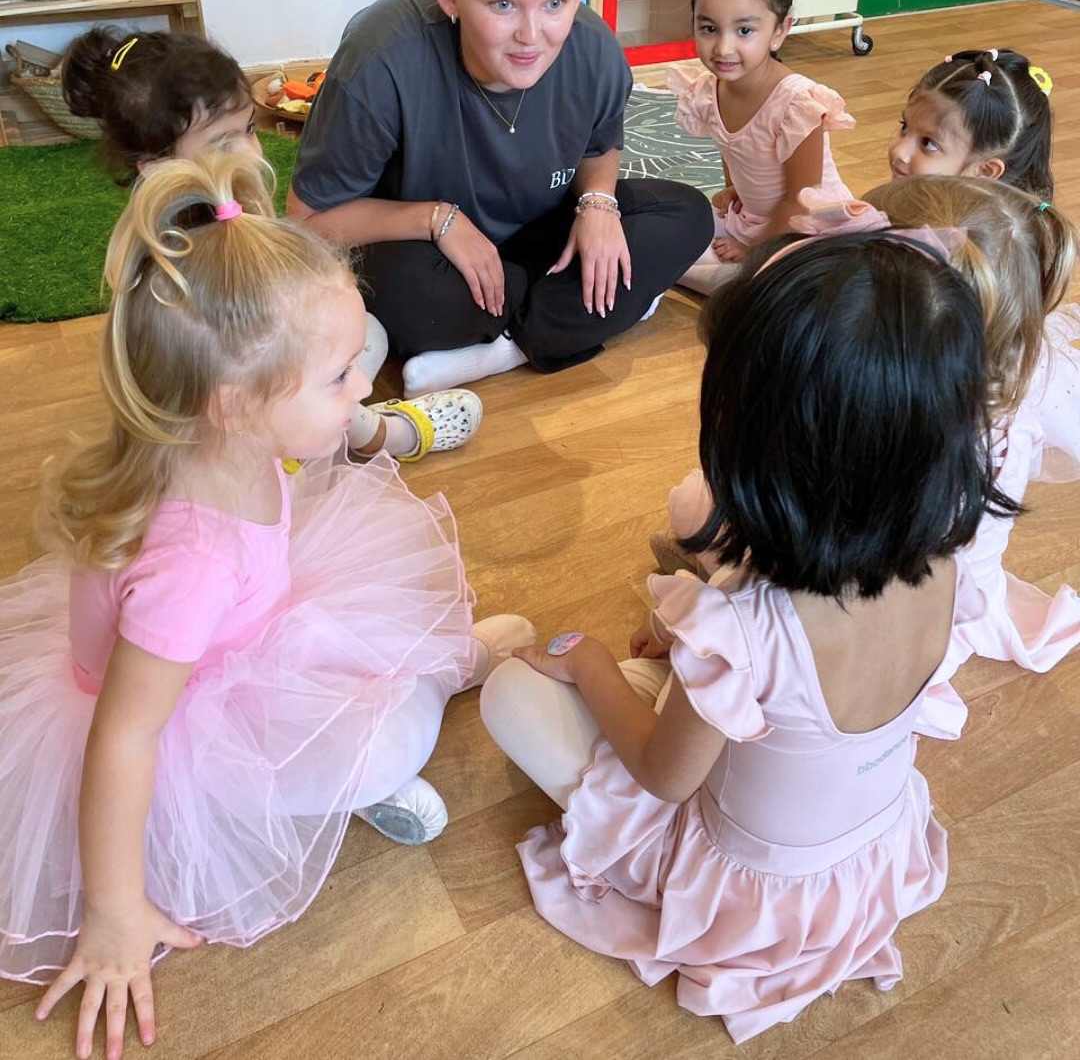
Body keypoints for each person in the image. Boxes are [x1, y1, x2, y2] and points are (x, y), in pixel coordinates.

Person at [0, 151, 534, 1058]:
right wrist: (116, 909)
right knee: (383, 739)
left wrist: (346, 415)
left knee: (372, 632)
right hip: (182, 729)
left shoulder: (218, 444)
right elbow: (125, 739)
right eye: (339, 377)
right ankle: (435, 689)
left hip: (234, 641)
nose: (364, 385)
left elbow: (306, 460)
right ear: (236, 403)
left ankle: (432, 671)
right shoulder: (193, 562)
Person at [481, 230, 1016, 1043]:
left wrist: (588, 664)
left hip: (748, 892)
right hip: (867, 856)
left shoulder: (749, 628)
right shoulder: (951, 557)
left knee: (509, 693)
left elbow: (664, 778)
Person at [658, 178, 1080, 734]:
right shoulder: (1011, 390)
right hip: (945, 610)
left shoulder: (883, 426)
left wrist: (701, 624)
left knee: (692, 506)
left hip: (857, 625)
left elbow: (818, 550)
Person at [286, 0, 713, 396]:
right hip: (430, 250)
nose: (531, 36)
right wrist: (436, 219)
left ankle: (503, 347)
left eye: (556, 2)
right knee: (406, 295)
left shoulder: (596, 50)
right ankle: (583, 314)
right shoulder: (380, 58)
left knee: (687, 214)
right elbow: (307, 223)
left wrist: (598, 204)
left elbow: (601, 149)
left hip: (539, 230)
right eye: (502, 4)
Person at [61, 26, 481, 463]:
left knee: (360, 336)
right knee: (339, 353)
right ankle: (373, 436)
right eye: (223, 142)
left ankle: (330, 429)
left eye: (248, 128)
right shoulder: (171, 260)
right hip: (227, 424)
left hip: (255, 392)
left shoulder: (228, 213)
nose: (250, 152)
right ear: (155, 166)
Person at [666, 0, 856, 295]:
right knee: (670, 228)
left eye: (744, 31)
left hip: (804, 227)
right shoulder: (710, 89)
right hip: (753, 218)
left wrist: (755, 250)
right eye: (709, 28)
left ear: (780, 31)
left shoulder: (797, 103)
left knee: (743, 282)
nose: (723, 48)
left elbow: (802, 199)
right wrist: (732, 188)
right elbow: (731, 145)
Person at [887, 47, 1054, 199]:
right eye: (904, 127)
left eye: (928, 143)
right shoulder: (910, 204)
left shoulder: (953, 231)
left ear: (984, 171)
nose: (899, 151)